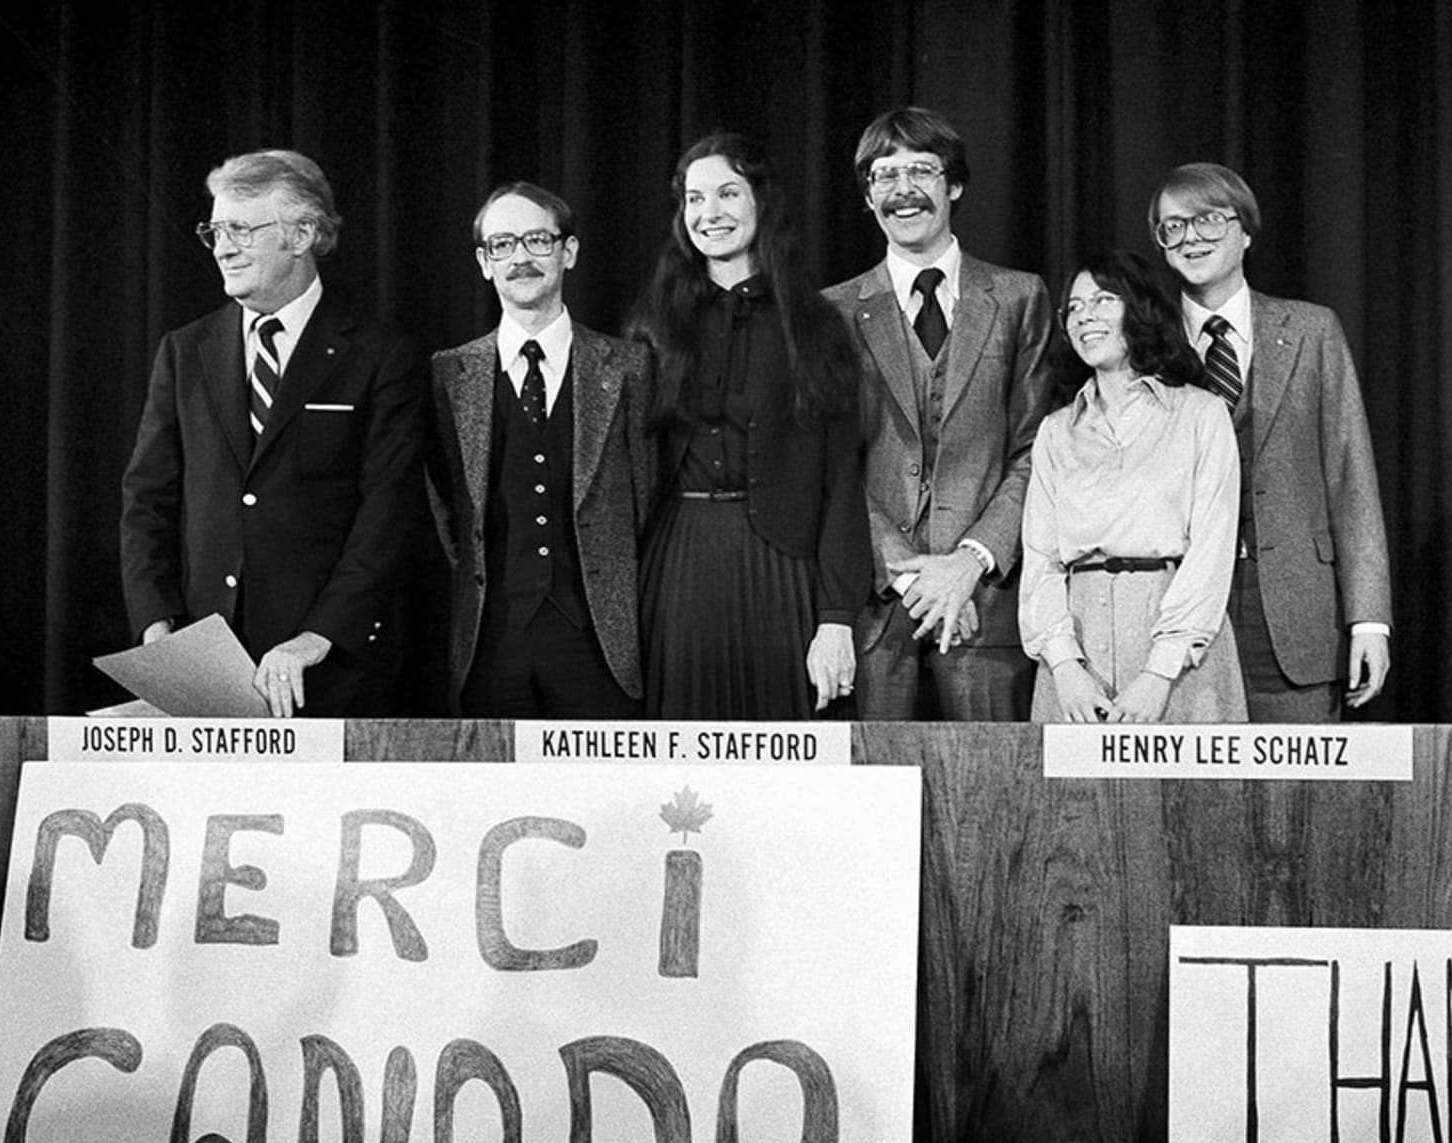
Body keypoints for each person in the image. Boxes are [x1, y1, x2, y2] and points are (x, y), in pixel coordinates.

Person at [120, 149, 426, 717]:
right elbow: (147, 501)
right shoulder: (185, 351)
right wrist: (157, 632)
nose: (223, 248)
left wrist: (316, 637)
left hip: (329, 671)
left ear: (303, 233)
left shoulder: (381, 356)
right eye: (214, 231)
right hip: (200, 673)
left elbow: (388, 516)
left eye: (240, 229)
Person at [823, 106, 1055, 722]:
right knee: (872, 807)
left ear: (953, 185)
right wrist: (908, 575)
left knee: (994, 804)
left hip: (985, 603)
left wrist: (968, 561)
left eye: (921, 170)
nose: (903, 190)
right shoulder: (833, 311)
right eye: (883, 175)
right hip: (877, 607)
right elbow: (831, 465)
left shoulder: (1018, 297)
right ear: (867, 197)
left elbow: (1036, 449)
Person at [631, 132, 870, 719]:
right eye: (694, 199)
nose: (709, 213)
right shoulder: (652, 327)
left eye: (727, 193)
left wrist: (837, 619)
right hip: (680, 571)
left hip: (784, 570)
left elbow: (842, 481)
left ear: (761, 202)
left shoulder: (817, 326)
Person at [1149, 162, 1393, 722]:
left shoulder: (1311, 331)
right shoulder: (1145, 339)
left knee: (1299, 802)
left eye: (1208, 220)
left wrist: (1369, 620)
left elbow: (1351, 479)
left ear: (1247, 231)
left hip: (1292, 618)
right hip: (1173, 611)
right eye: (1173, 227)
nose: (1191, 238)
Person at [427, 181, 653, 717]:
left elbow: (650, 497)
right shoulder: (449, 375)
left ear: (568, 252)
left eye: (536, 240)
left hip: (599, 646)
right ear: (484, 262)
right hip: (489, 645)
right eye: (502, 245)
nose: (520, 258)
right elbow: (444, 508)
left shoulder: (629, 368)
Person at [1021, 250, 1245, 723]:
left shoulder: (1201, 415)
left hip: (1181, 656)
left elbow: (1213, 548)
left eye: (1102, 301)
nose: (1085, 317)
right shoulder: (1057, 431)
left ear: (1138, 309)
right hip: (1078, 657)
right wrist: (1065, 667)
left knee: (1190, 798)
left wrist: (1159, 674)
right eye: (1075, 308)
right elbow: (1040, 560)